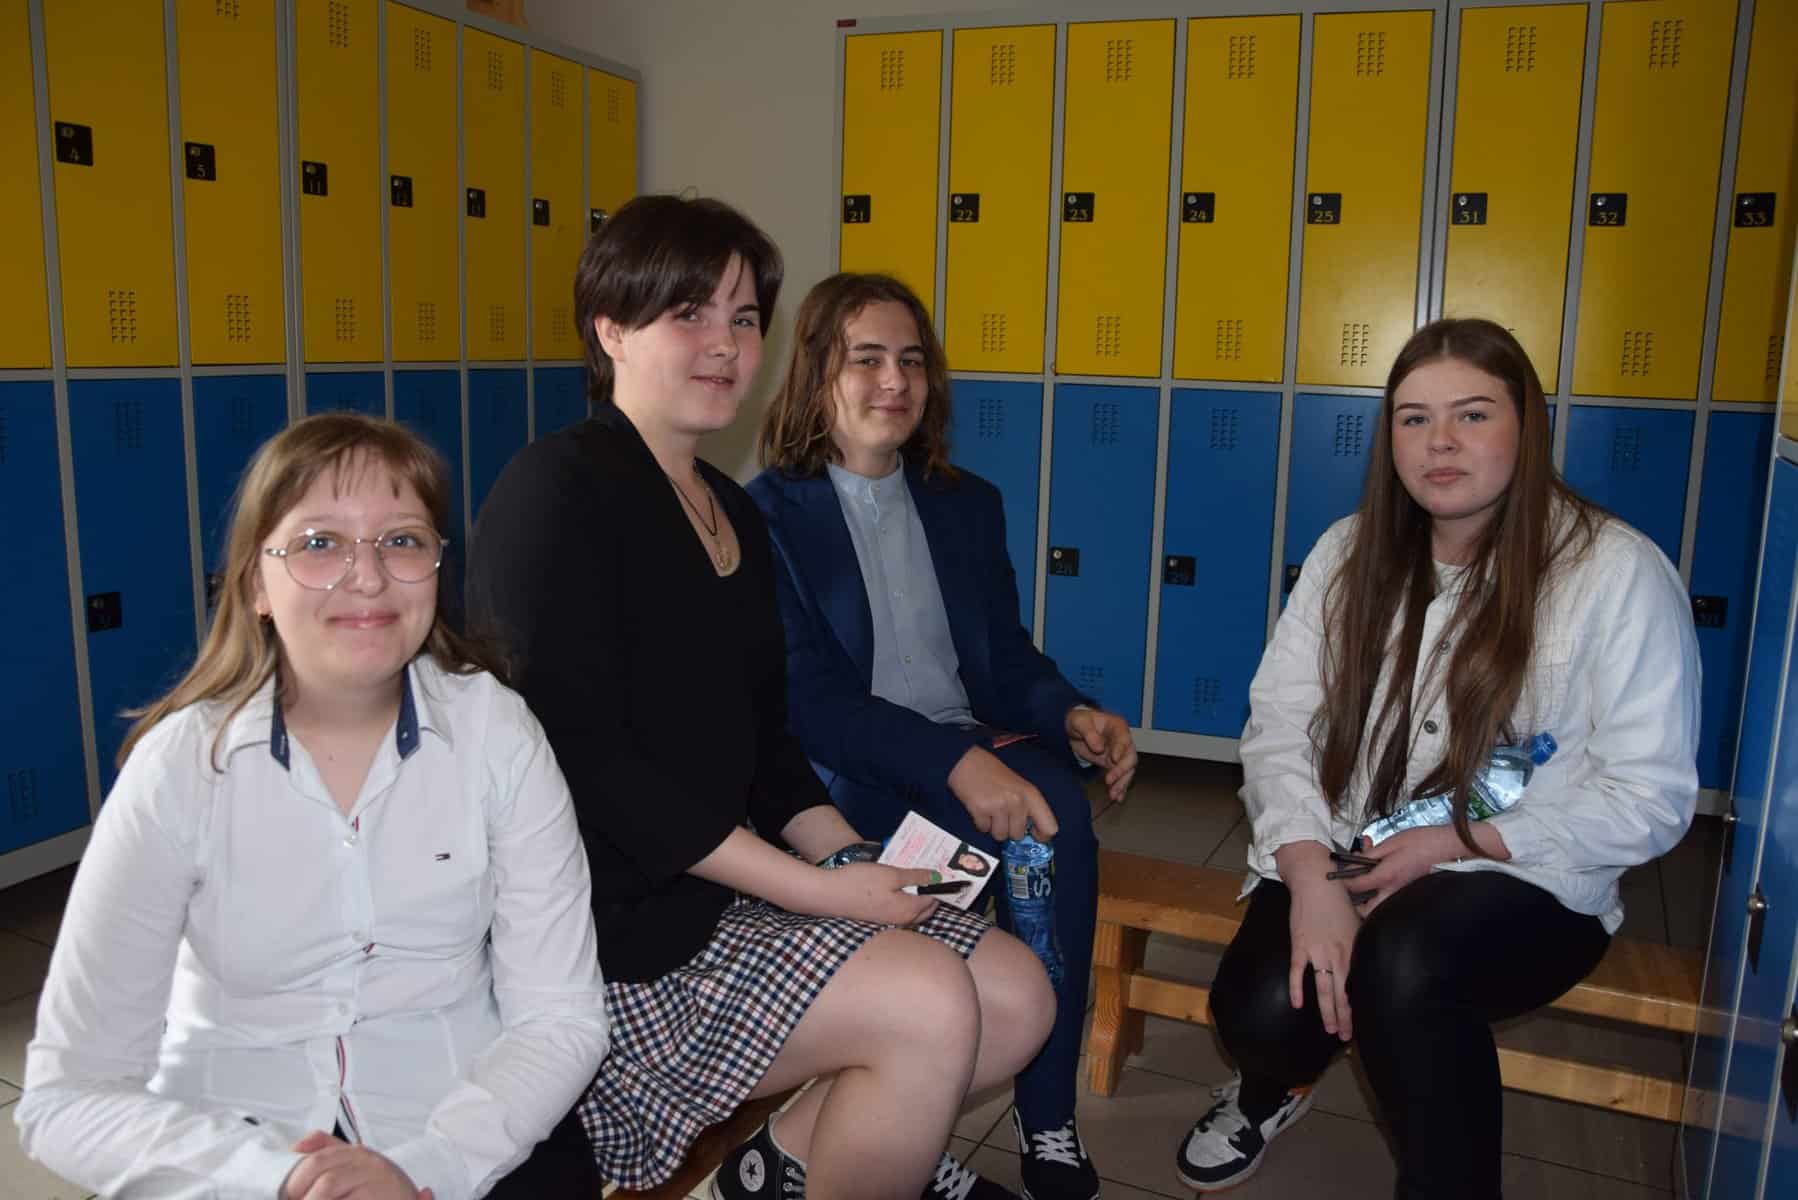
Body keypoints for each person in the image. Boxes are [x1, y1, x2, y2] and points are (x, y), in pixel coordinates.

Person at [463, 196, 1054, 1200]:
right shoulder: (558, 488)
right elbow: (591, 768)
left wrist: (849, 858)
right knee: (929, 1004)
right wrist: (819, 893)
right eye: (688, 313)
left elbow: (767, 739)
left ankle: (772, 1169)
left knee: (1016, 996)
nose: (725, 344)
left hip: (718, 896)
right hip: (605, 943)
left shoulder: (730, 509)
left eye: (743, 319)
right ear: (610, 330)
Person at [15, 413, 609, 1200]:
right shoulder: (182, 767)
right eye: (320, 542)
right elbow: (67, 1097)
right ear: (256, 585)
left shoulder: (496, 733)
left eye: (402, 540)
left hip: (462, 1129)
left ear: (437, 568)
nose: (368, 577)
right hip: (234, 1145)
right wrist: (287, 1177)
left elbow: (560, 1018)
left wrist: (427, 1167)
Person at [1174, 318, 1701, 1197]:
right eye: (1414, 419)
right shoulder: (1349, 551)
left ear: (1527, 427)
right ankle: (1275, 1085)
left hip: (1520, 869)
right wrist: (1309, 877)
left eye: (1473, 414)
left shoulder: (1616, 572)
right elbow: (1280, 723)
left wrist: (1452, 842)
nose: (1440, 442)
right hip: (1351, 845)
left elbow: (1649, 798)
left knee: (1404, 970)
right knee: (1261, 1016)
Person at [748, 273, 1138, 1200]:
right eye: (867, 359)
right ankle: (898, 1130)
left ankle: (1046, 1117)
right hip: (845, 777)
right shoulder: (764, 516)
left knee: (1052, 830)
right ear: (818, 373)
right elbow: (811, 703)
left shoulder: (965, 503)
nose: (895, 381)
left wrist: (1068, 711)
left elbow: (1002, 660)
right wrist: (955, 764)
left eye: (912, 361)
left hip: (962, 748)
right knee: (981, 865)